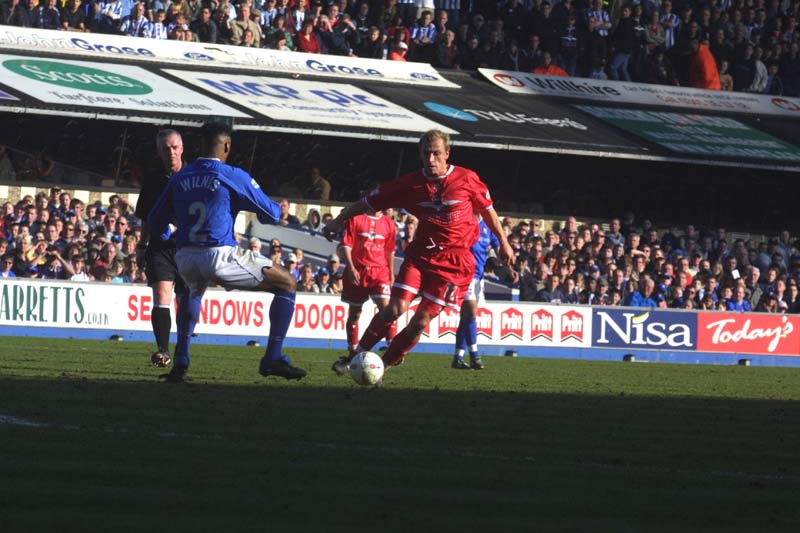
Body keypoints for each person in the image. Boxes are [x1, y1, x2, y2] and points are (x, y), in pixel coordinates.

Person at [324, 130, 514, 378]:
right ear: (421, 156)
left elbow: (488, 210)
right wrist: (339, 221)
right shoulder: (409, 184)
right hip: (421, 258)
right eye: (427, 154)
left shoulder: (466, 179)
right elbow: (368, 201)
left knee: (421, 321)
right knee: (394, 309)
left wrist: (503, 241)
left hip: (455, 264)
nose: (432, 159)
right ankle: (353, 357)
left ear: (447, 154)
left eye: (437, 153)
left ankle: (383, 366)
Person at [148, 122, 306, 382]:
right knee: (287, 283)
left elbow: (156, 221)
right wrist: (277, 209)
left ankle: (181, 362)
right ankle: (272, 358)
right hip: (219, 254)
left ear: (199, 146)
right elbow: (271, 215)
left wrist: (168, 233)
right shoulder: (232, 174)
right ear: (227, 146)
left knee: (192, 294)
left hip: (185, 256)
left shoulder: (180, 177)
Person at [135, 129, 185, 369]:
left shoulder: (193, 176)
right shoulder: (153, 179)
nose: (171, 152)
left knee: (185, 301)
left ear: (182, 149)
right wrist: (142, 244)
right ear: (159, 151)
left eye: (175, 147)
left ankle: (183, 350)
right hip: (159, 248)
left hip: (188, 248)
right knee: (161, 295)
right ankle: (163, 350)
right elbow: (145, 216)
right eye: (166, 148)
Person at [338, 207, 397, 357]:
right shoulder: (356, 219)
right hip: (358, 271)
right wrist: (350, 268)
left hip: (380, 272)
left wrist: (391, 274)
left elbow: (389, 251)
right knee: (355, 313)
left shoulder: (389, 224)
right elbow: (346, 245)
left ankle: (392, 346)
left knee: (388, 310)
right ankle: (353, 349)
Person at [452, 213, 499, 370]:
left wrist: (507, 267)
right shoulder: (465, 222)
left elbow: (497, 246)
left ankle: (458, 357)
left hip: (480, 277)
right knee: (471, 313)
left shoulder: (487, 226)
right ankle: (474, 355)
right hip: (465, 275)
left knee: (466, 317)